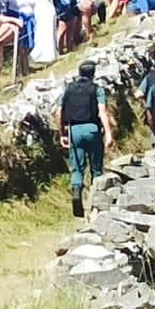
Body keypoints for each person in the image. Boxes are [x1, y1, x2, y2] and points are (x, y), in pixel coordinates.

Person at [56, 60, 113, 217]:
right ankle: (97, 203)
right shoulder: (97, 90)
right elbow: (102, 112)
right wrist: (108, 133)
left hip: (74, 130)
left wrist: (62, 133)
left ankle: (76, 191)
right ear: (93, 74)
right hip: (93, 129)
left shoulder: (69, 89)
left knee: (77, 167)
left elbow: (59, 112)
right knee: (96, 167)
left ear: (79, 72)